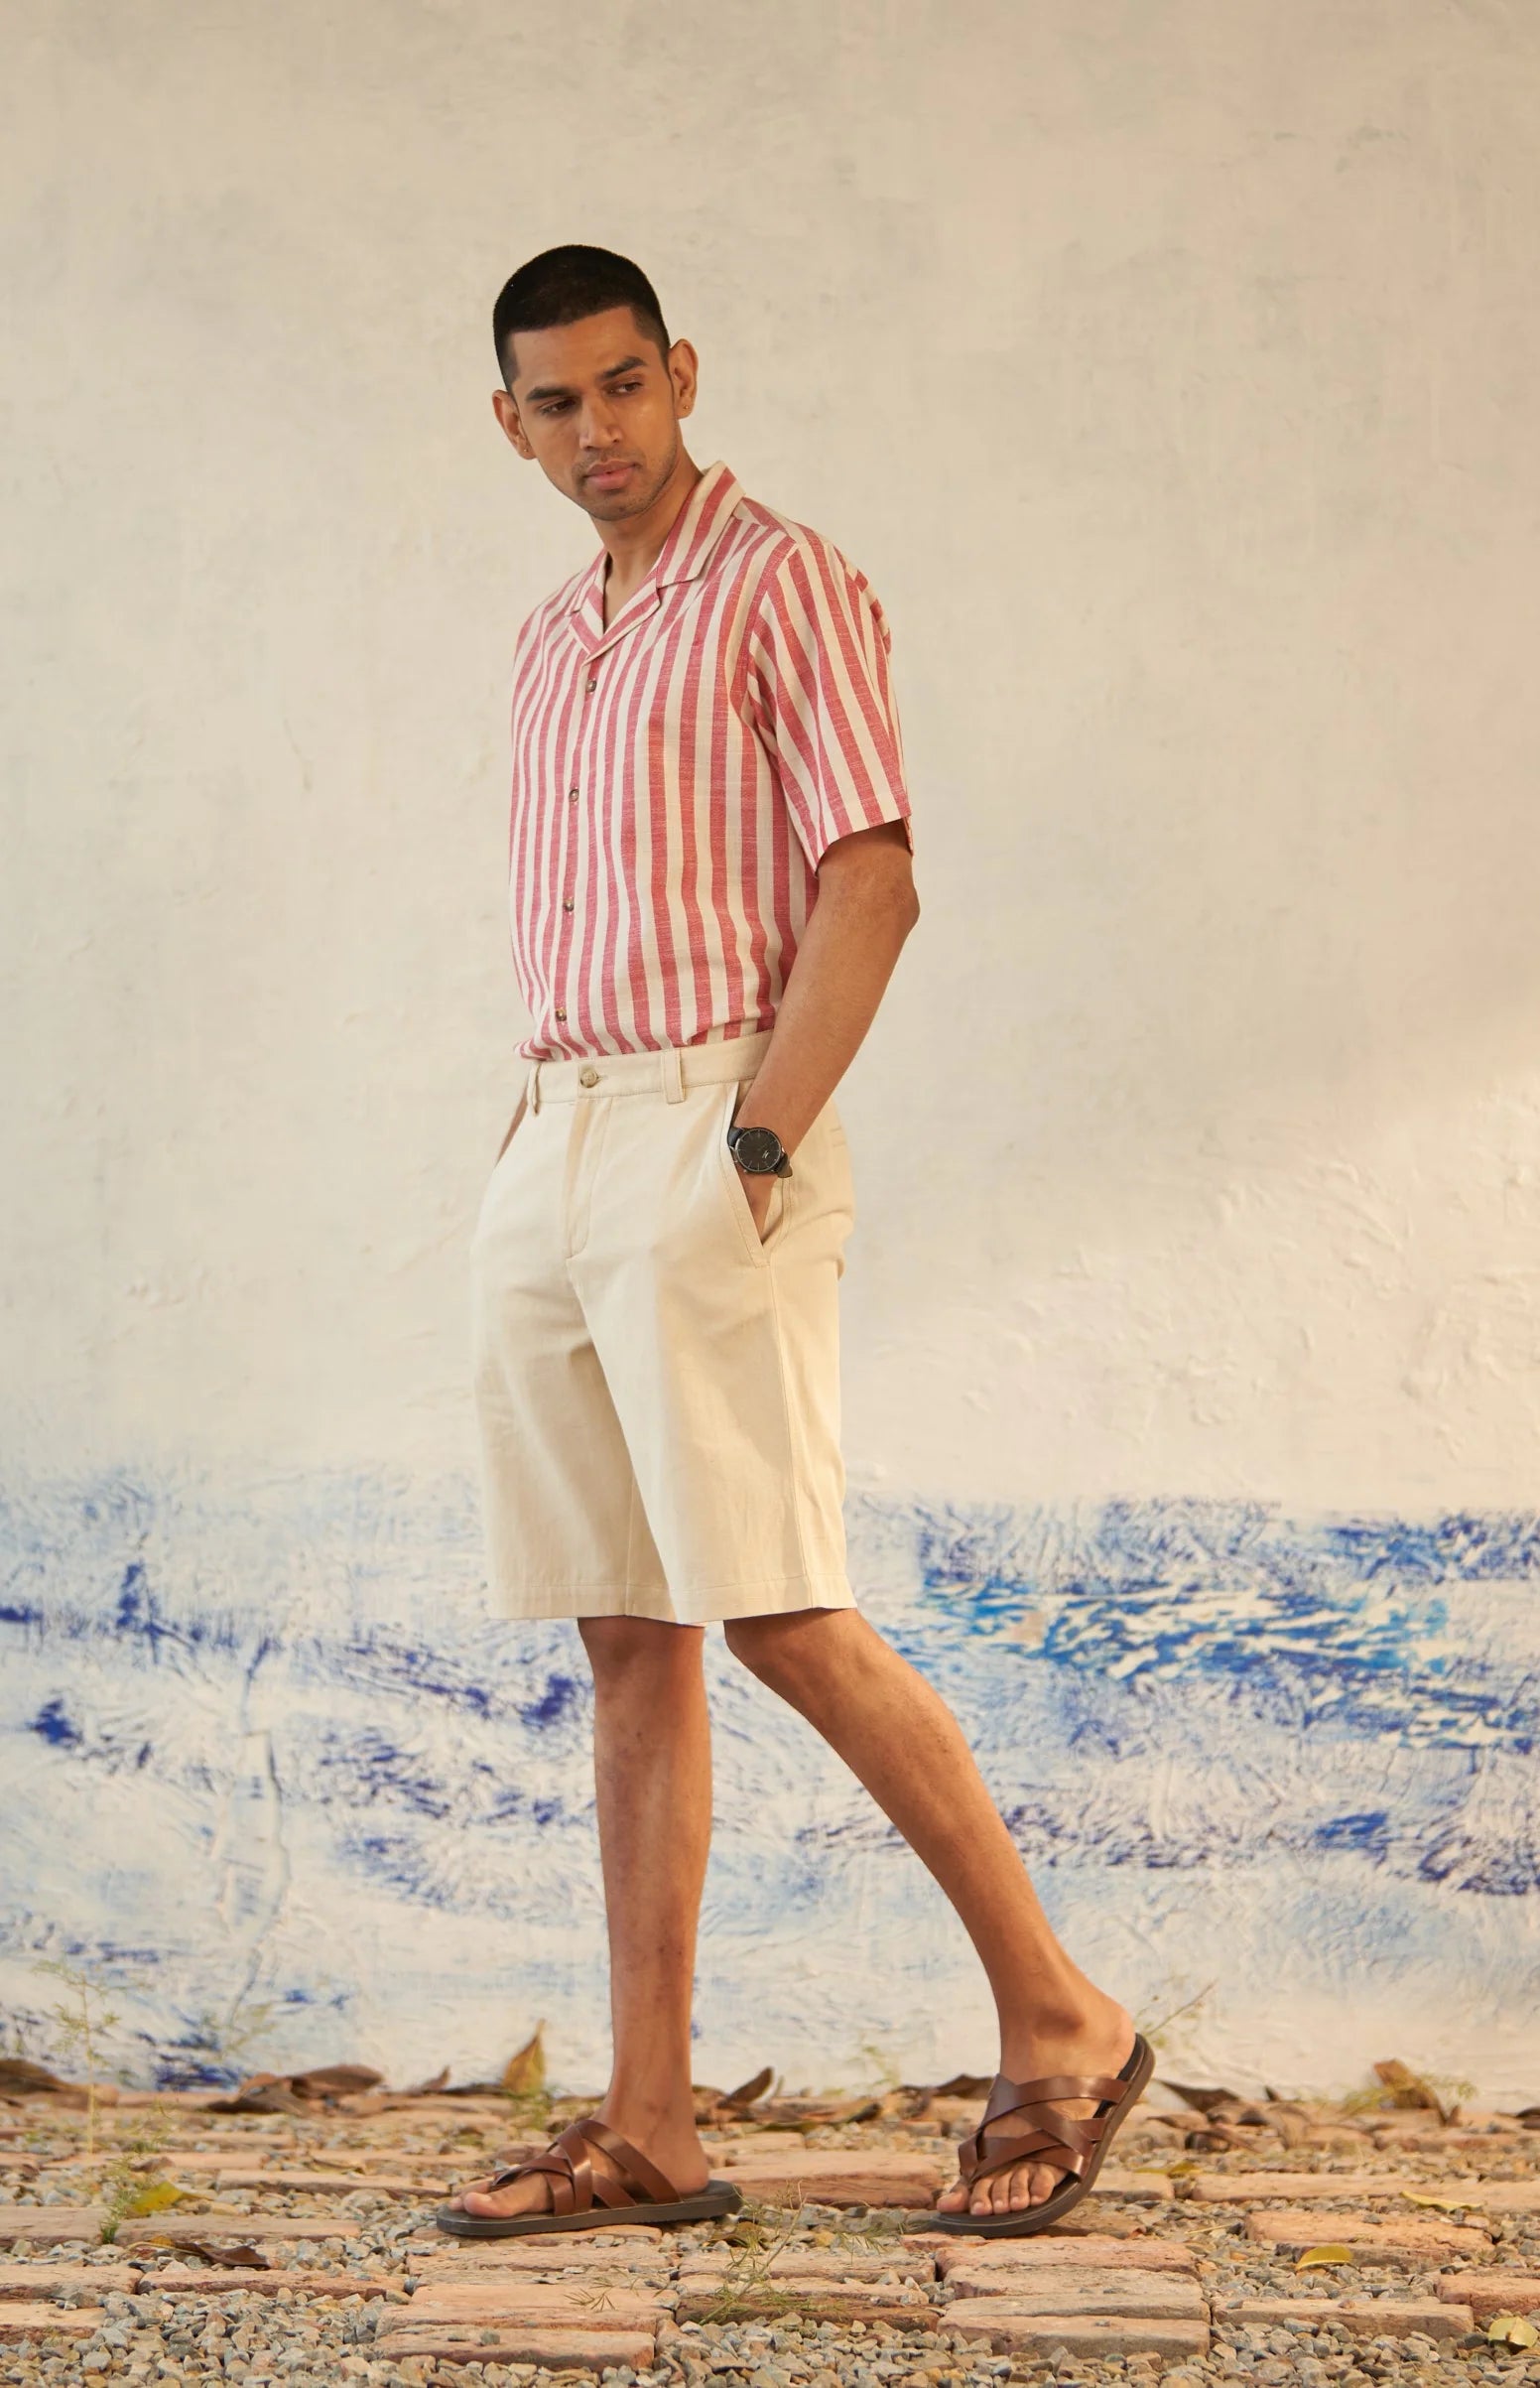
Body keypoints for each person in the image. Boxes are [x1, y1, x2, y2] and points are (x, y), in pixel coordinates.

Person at [441, 245, 1149, 2242]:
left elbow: (873, 875)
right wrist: (540, 1149)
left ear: (681, 374)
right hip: (556, 1130)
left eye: (625, 385)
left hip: (711, 1121)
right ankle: (651, 2126)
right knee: (625, 1630)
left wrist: (754, 1139)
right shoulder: (550, 638)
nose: (599, 429)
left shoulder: (784, 580)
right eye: (556, 402)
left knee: (778, 1607)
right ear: (510, 423)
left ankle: (1062, 2015)